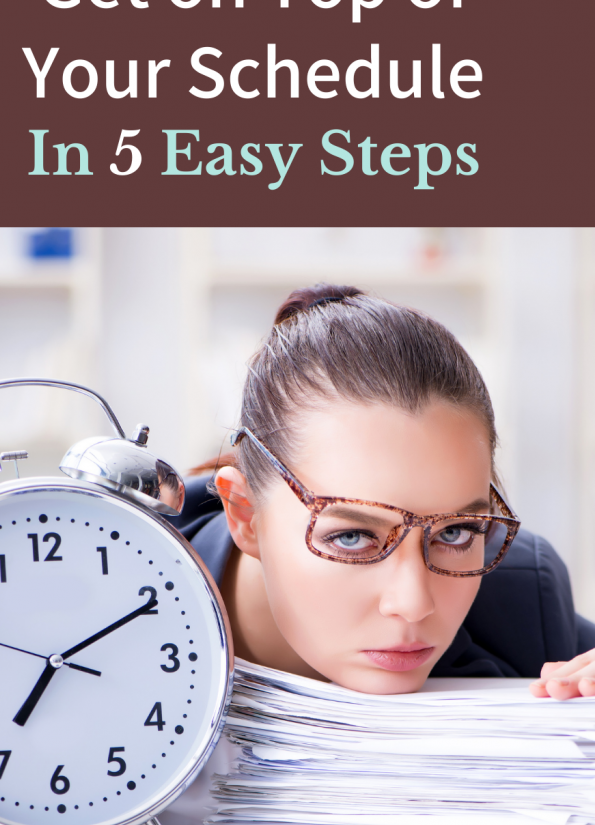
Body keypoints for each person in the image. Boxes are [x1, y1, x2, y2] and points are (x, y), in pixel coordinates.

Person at [172, 284, 595, 701]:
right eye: (352, 537)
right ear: (245, 514)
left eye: (455, 532)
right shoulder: (117, 584)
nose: (413, 605)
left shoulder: (522, 601)